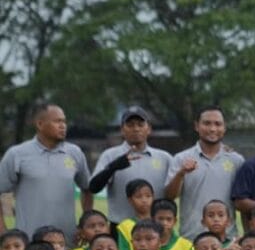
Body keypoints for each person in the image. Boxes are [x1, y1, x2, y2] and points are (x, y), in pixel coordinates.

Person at [0, 103, 91, 241]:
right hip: (29, 242)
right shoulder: (17, 154)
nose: (63, 125)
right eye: (57, 121)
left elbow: (88, 189)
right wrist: (2, 231)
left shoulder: (75, 153)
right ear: (40, 124)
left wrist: (85, 224)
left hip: (67, 242)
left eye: (64, 121)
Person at [165, 106, 246, 240]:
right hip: (191, 238)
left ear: (224, 127)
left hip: (228, 239)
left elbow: (242, 202)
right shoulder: (181, 158)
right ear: (197, 126)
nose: (213, 129)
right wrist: (181, 173)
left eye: (218, 124)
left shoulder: (236, 160)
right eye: (207, 123)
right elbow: (169, 196)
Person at [89, 107, 172, 224]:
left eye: (140, 124)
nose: (136, 129)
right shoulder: (110, 155)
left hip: (154, 228)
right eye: (130, 125)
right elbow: (94, 188)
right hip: (120, 226)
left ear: (149, 129)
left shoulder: (164, 158)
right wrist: (113, 167)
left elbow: (173, 193)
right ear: (122, 130)